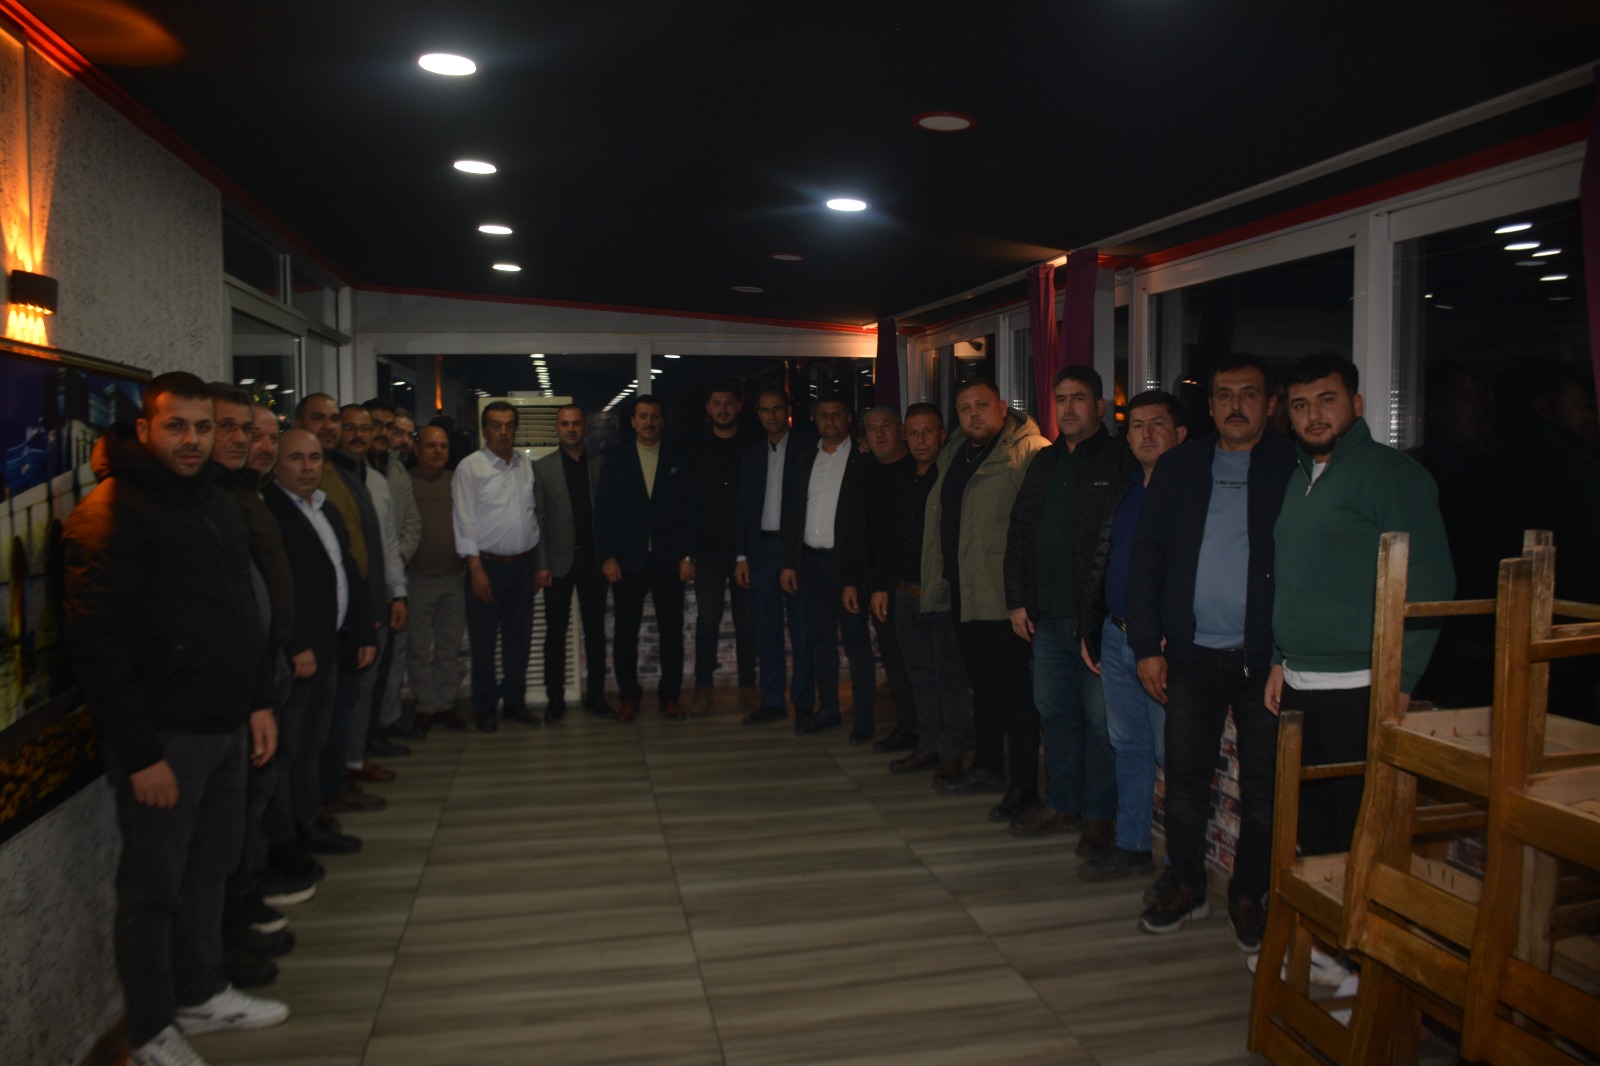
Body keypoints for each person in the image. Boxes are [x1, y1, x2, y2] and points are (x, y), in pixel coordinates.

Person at [63, 372, 288, 1066]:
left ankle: (201, 991)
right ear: (144, 430)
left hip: (227, 724)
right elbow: (97, 646)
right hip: (165, 738)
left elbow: (240, 611)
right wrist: (140, 756)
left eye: (204, 427)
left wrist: (257, 701)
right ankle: (151, 1030)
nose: (193, 440)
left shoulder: (214, 502)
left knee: (211, 866)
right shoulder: (113, 512)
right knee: (153, 888)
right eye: (177, 426)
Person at [1125, 354, 1296, 947]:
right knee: (1185, 780)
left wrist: (1289, 653)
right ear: (1211, 404)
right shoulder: (1181, 465)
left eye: (1249, 394)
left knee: (1263, 789)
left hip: (1263, 662)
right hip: (1191, 657)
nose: (1236, 405)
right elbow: (1147, 558)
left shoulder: (1291, 465)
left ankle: (1248, 893)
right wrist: (1146, 645)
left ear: (1270, 404)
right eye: (1225, 394)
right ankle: (1187, 884)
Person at [1267, 352, 1454, 858]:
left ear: (1357, 404)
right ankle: (1320, 914)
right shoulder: (1300, 476)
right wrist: (1279, 660)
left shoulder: (1392, 475)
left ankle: (1359, 914)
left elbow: (1431, 583)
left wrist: (1402, 680)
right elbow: (1292, 576)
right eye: (1300, 405)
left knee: (1361, 833)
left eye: (1326, 400)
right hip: (1299, 684)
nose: (1313, 415)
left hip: (1362, 685)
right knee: (1312, 828)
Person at [1003, 367, 1132, 848]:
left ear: (1100, 406)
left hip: (1094, 622)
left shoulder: (1118, 460)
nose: (1068, 408)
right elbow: (1020, 532)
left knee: (1100, 722)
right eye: (1061, 399)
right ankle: (1062, 803)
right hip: (1045, 616)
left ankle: (1099, 815)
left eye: (1079, 398)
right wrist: (1017, 600)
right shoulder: (1043, 461)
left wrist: (1095, 617)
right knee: (1054, 714)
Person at [921, 379, 1048, 814]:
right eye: (964, 408)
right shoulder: (955, 451)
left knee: (1015, 692)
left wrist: (1024, 598)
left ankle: (1024, 787)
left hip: (1005, 598)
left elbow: (1034, 532)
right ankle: (988, 767)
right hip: (964, 590)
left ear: (1002, 406)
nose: (973, 414)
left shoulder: (1030, 451)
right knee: (984, 687)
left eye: (981, 405)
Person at [206, 384, 296, 989]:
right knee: (225, 821)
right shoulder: (212, 502)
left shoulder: (245, 495)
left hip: (263, 670)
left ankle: (242, 901)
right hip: (223, 691)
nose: (249, 443)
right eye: (235, 430)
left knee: (250, 800)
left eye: (260, 433)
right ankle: (225, 930)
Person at [1076, 390, 1186, 883]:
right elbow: (1102, 563)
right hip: (1116, 635)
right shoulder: (1124, 491)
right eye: (1137, 426)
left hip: (1162, 647)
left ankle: (1182, 870)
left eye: (1157, 424)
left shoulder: (1192, 496)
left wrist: (1169, 635)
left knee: (1171, 754)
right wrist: (1092, 628)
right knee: (1128, 746)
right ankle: (1133, 845)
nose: (1146, 434)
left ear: (1181, 434)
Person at [261, 430, 375, 877]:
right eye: (296, 458)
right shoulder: (271, 512)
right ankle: (284, 839)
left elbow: (347, 571)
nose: (307, 467)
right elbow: (278, 590)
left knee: (312, 744)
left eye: (314, 458)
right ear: (276, 463)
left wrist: (361, 631)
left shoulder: (324, 507)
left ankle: (309, 821)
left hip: (331, 645)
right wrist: (297, 644)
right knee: (288, 750)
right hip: (299, 654)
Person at [864, 403, 970, 784]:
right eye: (914, 432)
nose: (921, 439)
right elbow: (886, 539)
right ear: (904, 437)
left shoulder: (954, 480)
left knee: (949, 678)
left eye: (928, 431)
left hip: (942, 596)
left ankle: (952, 754)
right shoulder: (899, 479)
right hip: (904, 594)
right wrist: (880, 586)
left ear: (942, 435)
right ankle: (928, 744)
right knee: (918, 675)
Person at [293, 394, 388, 816]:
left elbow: (354, 555)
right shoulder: (293, 494)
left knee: (339, 711)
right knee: (317, 724)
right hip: (314, 632)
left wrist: (368, 613)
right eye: (321, 419)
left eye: (336, 419)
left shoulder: (343, 475)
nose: (331, 427)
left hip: (348, 619)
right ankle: (322, 796)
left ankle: (334, 785)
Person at [595, 396, 698, 722]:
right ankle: (629, 697)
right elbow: (605, 514)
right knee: (625, 633)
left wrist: (689, 555)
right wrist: (608, 557)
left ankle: (670, 697)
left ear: (662, 421)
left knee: (672, 633)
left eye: (654, 416)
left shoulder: (680, 458)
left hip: (670, 560)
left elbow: (691, 512)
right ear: (633, 422)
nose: (649, 422)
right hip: (628, 561)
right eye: (643, 416)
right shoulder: (616, 459)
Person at [451, 401, 549, 731]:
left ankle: (514, 703)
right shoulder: (470, 468)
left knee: (518, 641)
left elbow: (533, 517)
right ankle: (485, 707)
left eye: (509, 425)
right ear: (485, 429)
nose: (503, 432)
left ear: (515, 429)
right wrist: (475, 569)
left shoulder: (525, 465)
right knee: (483, 643)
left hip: (523, 566)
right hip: (486, 567)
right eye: (496, 425)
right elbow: (463, 521)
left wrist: (537, 565)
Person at [781, 398, 875, 740]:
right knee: (820, 643)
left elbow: (865, 525)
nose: (830, 421)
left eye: (837, 415)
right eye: (823, 415)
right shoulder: (806, 457)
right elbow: (794, 513)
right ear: (814, 419)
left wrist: (853, 576)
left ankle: (864, 718)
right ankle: (830, 710)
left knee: (856, 644)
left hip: (845, 567)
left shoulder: (863, 459)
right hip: (809, 564)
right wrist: (789, 563)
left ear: (849, 419)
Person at [333, 404, 409, 780]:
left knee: (369, 685)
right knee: (347, 693)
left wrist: (398, 593)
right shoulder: (328, 480)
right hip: (345, 604)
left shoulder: (377, 481)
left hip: (379, 597)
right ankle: (343, 768)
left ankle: (356, 758)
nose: (360, 435)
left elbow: (388, 543)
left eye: (367, 429)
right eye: (352, 428)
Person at [734, 387, 815, 727]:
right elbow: (742, 507)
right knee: (766, 631)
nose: (772, 416)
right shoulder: (751, 454)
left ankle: (804, 703)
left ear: (788, 411)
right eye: (765, 410)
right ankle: (772, 702)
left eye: (777, 409)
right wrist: (741, 556)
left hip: (795, 549)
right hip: (760, 551)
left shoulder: (808, 449)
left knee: (802, 630)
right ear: (758, 414)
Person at [844, 405, 919, 754]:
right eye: (871, 429)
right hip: (874, 580)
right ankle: (909, 726)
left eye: (886, 426)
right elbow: (853, 528)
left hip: (908, 582)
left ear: (900, 429)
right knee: (893, 657)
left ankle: (923, 731)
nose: (879, 434)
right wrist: (852, 580)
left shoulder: (918, 468)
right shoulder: (864, 470)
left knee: (914, 660)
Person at [532, 404, 610, 721]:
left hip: (593, 560)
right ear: (557, 428)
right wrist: (541, 564)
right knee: (555, 633)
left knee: (595, 632)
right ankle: (555, 699)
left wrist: (609, 556)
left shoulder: (600, 464)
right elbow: (538, 519)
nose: (571, 429)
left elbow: (609, 515)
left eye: (576, 423)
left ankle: (596, 696)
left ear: (585, 428)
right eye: (565, 424)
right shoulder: (542, 468)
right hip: (558, 562)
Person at [689, 386, 757, 715]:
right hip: (707, 550)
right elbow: (687, 504)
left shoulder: (754, 446)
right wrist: (688, 553)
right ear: (708, 408)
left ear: (739, 406)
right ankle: (703, 689)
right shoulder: (693, 447)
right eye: (717, 403)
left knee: (747, 622)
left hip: (745, 550)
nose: (723, 409)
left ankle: (748, 687)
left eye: (729, 403)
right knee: (707, 622)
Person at [363, 399, 423, 744]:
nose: (384, 434)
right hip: (367, 582)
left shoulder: (397, 470)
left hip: (397, 576)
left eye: (391, 427)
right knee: (370, 660)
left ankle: (387, 720)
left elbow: (412, 520)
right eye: (379, 425)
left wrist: (397, 556)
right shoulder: (352, 470)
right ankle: (366, 734)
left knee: (394, 656)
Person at [407, 425, 470, 731]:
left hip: (453, 578)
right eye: (431, 446)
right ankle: (424, 707)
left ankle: (446, 705)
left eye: (443, 446)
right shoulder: (405, 482)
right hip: (416, 580)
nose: (438, 451)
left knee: (448, 647)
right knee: (418, 650)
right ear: (417, 448)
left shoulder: (456, 481)